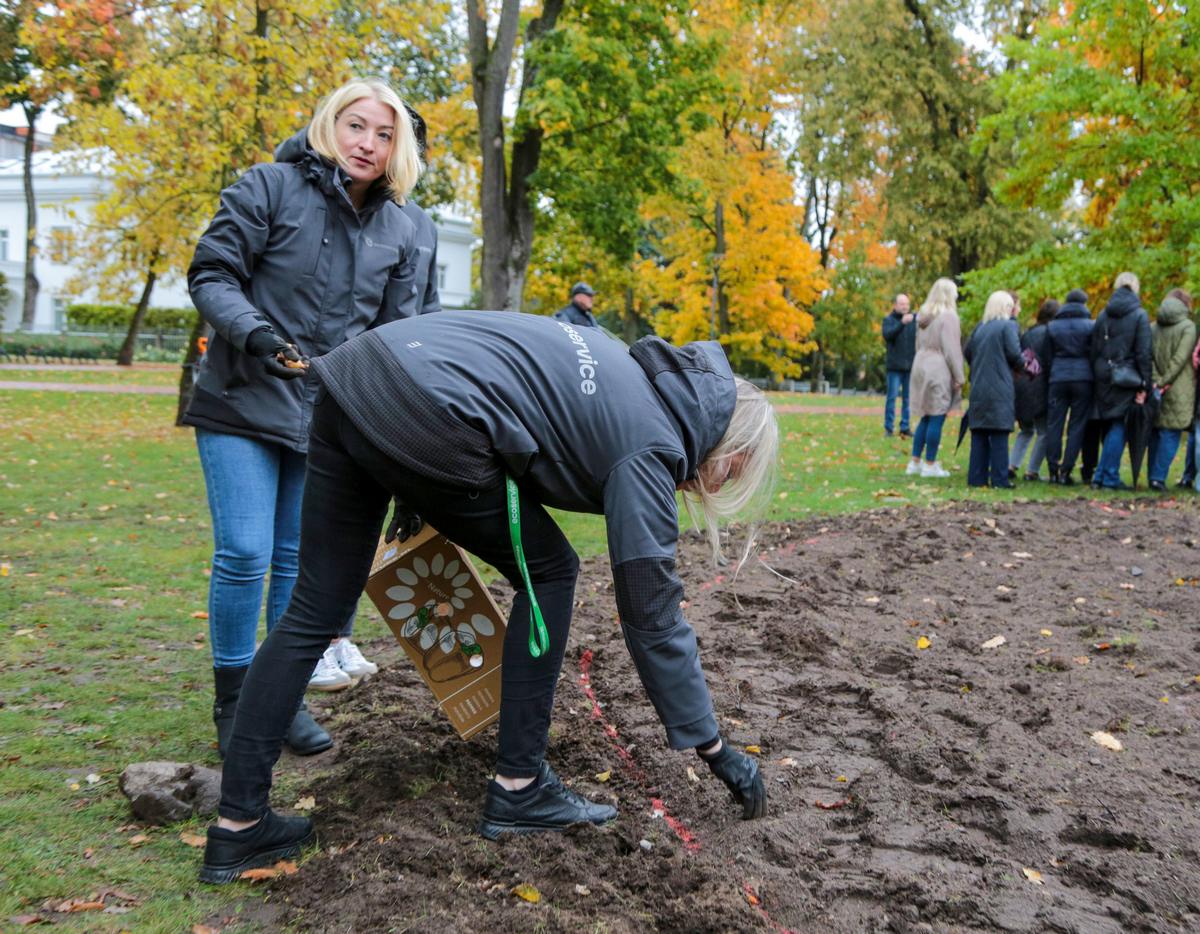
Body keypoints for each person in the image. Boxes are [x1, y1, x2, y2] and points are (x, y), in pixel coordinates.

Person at [198, 312, 775, 884]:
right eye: (735, 470)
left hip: (356, 380)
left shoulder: (618, 365)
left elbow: (496, 392)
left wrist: (412, 471)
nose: (720, 486)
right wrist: (714, 745)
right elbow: (651, 613)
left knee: (312, 611)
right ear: (726, 440)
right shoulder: (650, 441)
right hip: (420, 409)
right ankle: (519, 788)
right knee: (551, 573)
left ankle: (238, 825)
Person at [183, 77, 426, 757]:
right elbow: (212, 274)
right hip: (241, 398)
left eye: (383, 134)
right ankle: (234, 704)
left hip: (325, 416)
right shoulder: (266, 187)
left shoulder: (401, 228)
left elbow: (392, 337)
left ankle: (278, 701)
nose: (367, 144)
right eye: (356, 126)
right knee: (246, 552)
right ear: (329, 125)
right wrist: (256, 334)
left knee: (297, 561)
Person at [309, 103, 443, 692]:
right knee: (315, 531)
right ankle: (319, 641)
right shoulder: (342, 213)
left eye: (397, 140)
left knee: (358, 532)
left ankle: (337, 637)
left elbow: (427, 311)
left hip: (388, 395)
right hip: (343, 383)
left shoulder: (421, 225)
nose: (379, 150)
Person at [1089, 272, 1152, 490]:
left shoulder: (1104, 314)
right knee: (1120, 425)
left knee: (1111, 424)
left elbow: (1094, 347)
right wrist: (1145, 384)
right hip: (1126, 376)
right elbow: (1143, 352)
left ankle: (1099, 476)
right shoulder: (1139, 315)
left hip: (1103, 374)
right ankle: (1109, 477)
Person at [963, 291, 1023, 488]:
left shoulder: (980, 328)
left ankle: (976, 477)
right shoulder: (1008, 326)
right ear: (1006, 307)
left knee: (979, 434)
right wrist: (1026, 364)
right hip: (1000, 386)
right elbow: (1015, 354)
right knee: (999, 433)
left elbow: (968, 352)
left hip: (979, 386)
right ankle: (999, 479)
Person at [907, 279, 965, 478]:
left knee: (926, 414)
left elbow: (917, 344)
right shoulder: (948, 317)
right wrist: (959, 376)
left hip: (920, 363)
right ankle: (930, 464)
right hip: (938, 366)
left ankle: (915, 461)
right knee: (937, 415)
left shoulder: (923, 316)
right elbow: (952, 349)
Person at [1044, 289, 1095, 485]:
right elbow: (1094, 352)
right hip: (1083, 378)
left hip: (1058, 377)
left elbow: (1048, 357)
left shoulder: (1053, 326)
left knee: (1054, 424)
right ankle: (1067, 469)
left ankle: (1052, 468)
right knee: (1077, 425)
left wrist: (1053, 373)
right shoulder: (1091, 326)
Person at [1147, 292, 1196, 491]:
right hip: (1179, 387)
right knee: (1171, 433)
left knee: (1156, 432)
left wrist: (1156, 381)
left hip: (1155, 385)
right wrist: (1165, 381)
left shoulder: (1152, 327)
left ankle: (1152, 475)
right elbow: (1180, 358)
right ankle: (1158, 478)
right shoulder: (1188, 327)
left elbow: (1147, 356)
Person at [1011, 298, 1056, 480]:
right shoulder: (1050, 334)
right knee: (1044, 431)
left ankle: (1012, 464)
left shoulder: (1028, 332)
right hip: (1039, 384)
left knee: (1026, 429)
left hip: (1022, 383)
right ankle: (1032, 470)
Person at [881, 293, 916, 438]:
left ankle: (905, 426)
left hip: (910, 367)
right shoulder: (889, 320)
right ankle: (889, 428)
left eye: (907, 304)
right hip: (894, 367)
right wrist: (902, 323)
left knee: (908, 399)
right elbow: (887, 335)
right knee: (892, 398)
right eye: (902, 304)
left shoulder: (914, 320)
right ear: (895, 305)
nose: (905, 306)